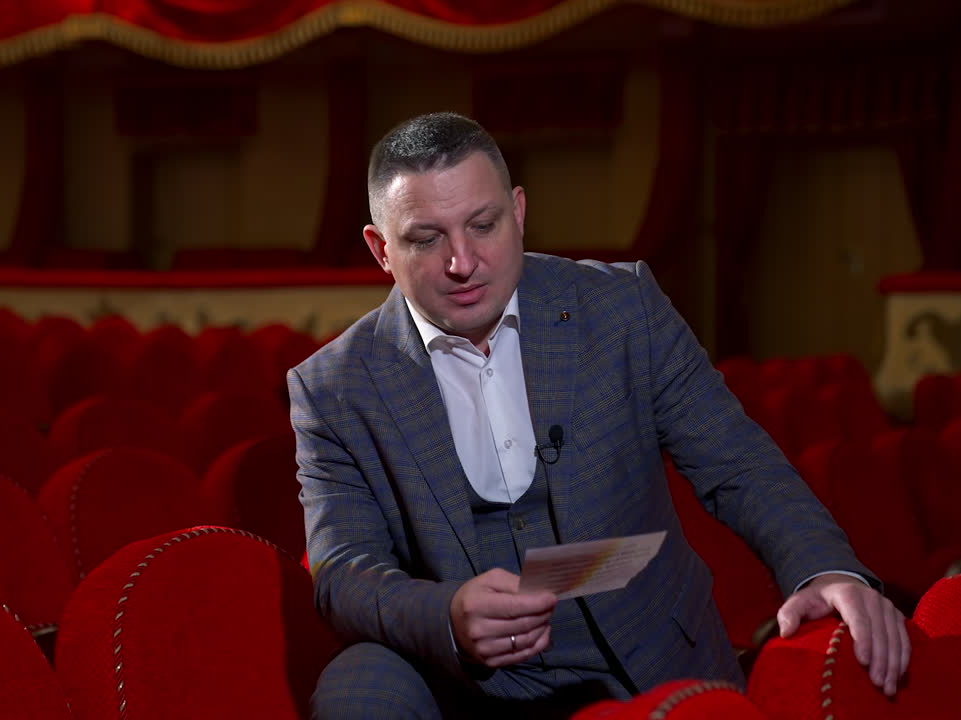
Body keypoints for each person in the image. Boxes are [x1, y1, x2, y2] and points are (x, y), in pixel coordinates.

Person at [288, 112, 909, 719]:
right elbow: (343, 571)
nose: (462, 262)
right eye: (427, 239)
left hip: (652, 657)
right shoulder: (332, 387)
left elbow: (737, 461)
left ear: (520, 212)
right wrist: (445, 617)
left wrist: (821, 569)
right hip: (474, 690)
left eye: (484, 225)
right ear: (380, 249)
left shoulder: (622, 306)